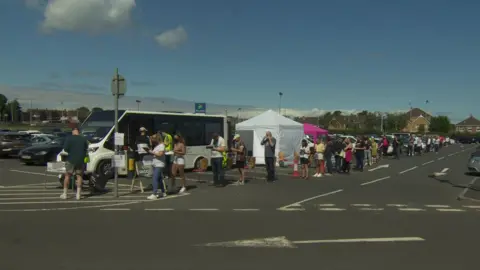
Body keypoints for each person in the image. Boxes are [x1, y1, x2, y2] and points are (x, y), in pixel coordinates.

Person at [60, 127, 89, 200]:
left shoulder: (69, 138)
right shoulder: (83, 139)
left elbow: (66, 149)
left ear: (73, 131)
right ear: (79, 132)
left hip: (71, 160)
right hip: (81, 160)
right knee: (79, 176)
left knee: (67, 176)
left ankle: (65, 194)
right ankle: (78, 195)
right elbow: (86, 148)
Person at [146, 134, 167, 199]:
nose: (153, 140)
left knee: (155, 178)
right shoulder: (157, 146)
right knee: (159, 179)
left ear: (157, 139)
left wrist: (151, 152)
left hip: (159, 164)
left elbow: (160, 154)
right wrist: (149, 151)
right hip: (155, 164)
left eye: (154, 139)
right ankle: (163, 192)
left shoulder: (162, 146)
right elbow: (155, 153)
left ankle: (154, 194)